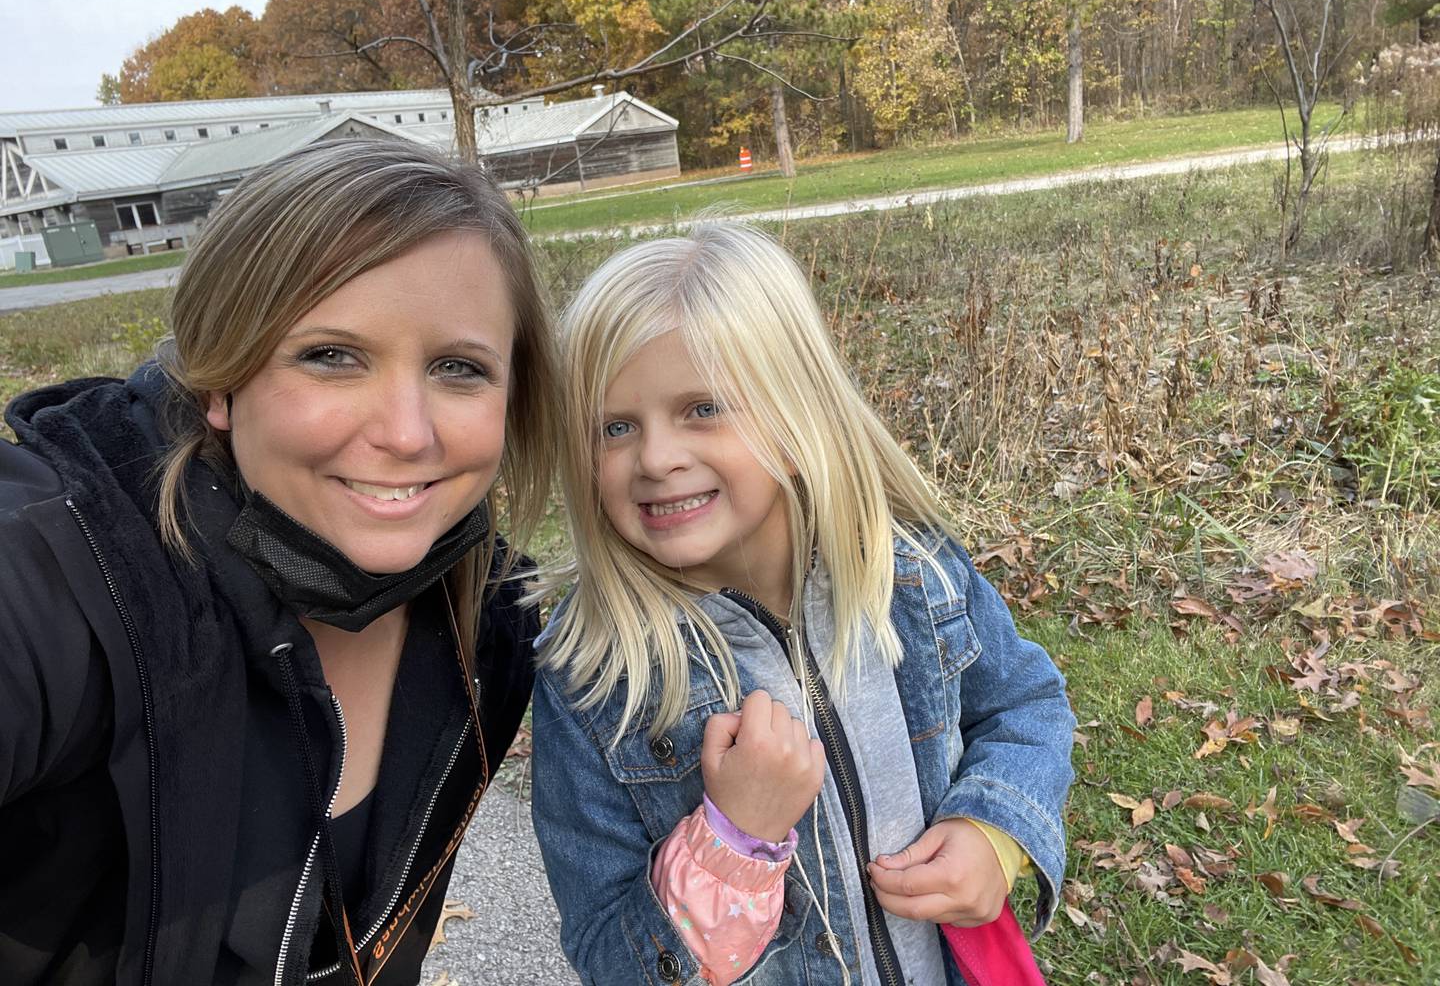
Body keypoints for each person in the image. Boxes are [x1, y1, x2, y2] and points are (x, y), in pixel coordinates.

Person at [0, 139, 557, 986]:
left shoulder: (487, 624)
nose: (408, 433)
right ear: (220, 381)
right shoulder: (71, 566)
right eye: (332, 356)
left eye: (457, 368)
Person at [531, 221, 1075, 986]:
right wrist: (730, 843)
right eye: (615, 427)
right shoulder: (595, 675)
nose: (654, 457)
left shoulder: (907, 572)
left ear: (798, 417)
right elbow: (605, 954)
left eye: (702, 408)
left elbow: (1025, 703)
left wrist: (995, 831)